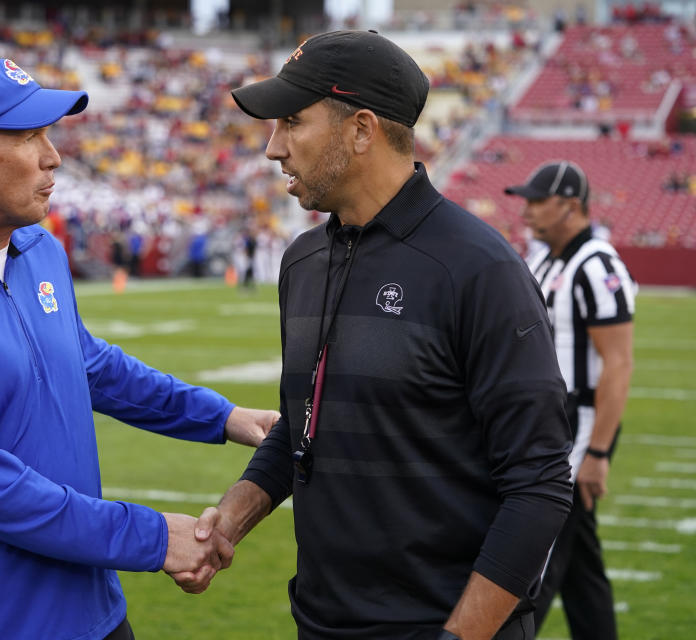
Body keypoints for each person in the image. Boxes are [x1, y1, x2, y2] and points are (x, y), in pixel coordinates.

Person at [0, 54, 280, 640]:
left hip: (92, 607)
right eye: (28, 136)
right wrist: (151, 537)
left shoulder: (38, 249)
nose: (54, 156)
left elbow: (89, 364)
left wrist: (223, 417)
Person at [177, 31, 575, 640]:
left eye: (291, 122)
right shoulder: (303, 261)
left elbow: (540, 482)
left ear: (361, 130)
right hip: (321, 622)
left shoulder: (479, 269)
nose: (272, 149)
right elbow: (302, 426)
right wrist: (229, 521)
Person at [505, 161, 635, 640]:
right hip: (542, 422)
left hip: (576, 423)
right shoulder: (543, 259)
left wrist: (598, 452)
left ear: (572, 206)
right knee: (581, 562)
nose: (528, 212)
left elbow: (619, 363)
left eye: (538, 202)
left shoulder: (597, 264)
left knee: (537, 550)